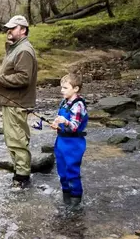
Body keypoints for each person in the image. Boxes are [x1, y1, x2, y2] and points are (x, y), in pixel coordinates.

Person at [0, 15, 38, 189]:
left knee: (17, 140)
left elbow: (23, 78)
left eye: (13, 28)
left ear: (23, 29)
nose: (9, 30)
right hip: (12, 102)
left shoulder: (23, 50)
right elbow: (13, 74)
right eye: (8, 27)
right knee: (12, 139)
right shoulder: (16, 48)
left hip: (17, 103)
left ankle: (22, 179)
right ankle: (19, 174)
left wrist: (0, 80)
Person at [51, 73, 88, 209]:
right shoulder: (64, 102)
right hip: (61, 141)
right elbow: (60, 119)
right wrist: (56, 124)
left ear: (76, 89)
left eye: (65, 88)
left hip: (74, 143)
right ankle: (66, 196)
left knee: (72, 171)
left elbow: (74, 126)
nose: (62, 91)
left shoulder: (78, 105)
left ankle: (76, 200)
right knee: (62, 170)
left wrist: (65, 122)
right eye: (62, 88)